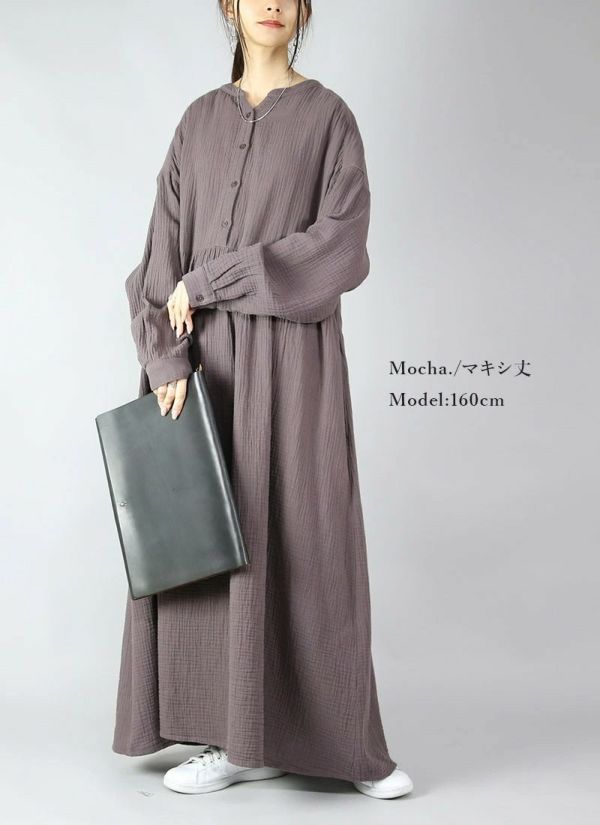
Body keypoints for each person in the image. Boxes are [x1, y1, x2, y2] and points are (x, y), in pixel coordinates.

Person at [112, 0, 414, 801]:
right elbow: (159, 257)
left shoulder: (329, 119)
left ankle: (342, 745)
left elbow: (340, 247)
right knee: (209, 543)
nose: (271, 3)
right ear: (231, 6)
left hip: (294, 365)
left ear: (304, 8)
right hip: (204, 368)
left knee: (310, 537)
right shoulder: (197, 123)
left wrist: (216, 278)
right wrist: (164, 356)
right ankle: (234, 739)